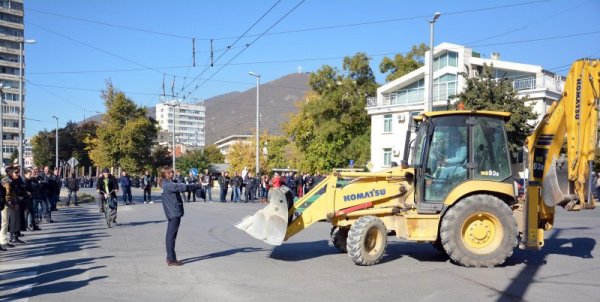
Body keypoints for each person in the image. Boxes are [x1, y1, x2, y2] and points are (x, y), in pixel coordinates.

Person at [159, 166, 201, 266]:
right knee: (171, 237)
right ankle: (171, 259)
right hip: (174, 213)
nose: (172, 174)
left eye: (172, 172)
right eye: (170, 173)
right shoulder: (168, 184)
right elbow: (183, 187)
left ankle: (170, 257)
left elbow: (179, 185)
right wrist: (197, 185)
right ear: (165, 174)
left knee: (171, 236)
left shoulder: (166, 183)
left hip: (171, 213)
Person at [1, 166, 25, 245]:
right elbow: (7, 196)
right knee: (5, 223)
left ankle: (9, 238)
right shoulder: (7, 181)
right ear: (10, 173)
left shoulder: (13, 181)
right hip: (7, 204)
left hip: (11, 203)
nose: (18, 174)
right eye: (16, 172)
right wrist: (13, 205)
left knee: (9, 222)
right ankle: (4, 241)